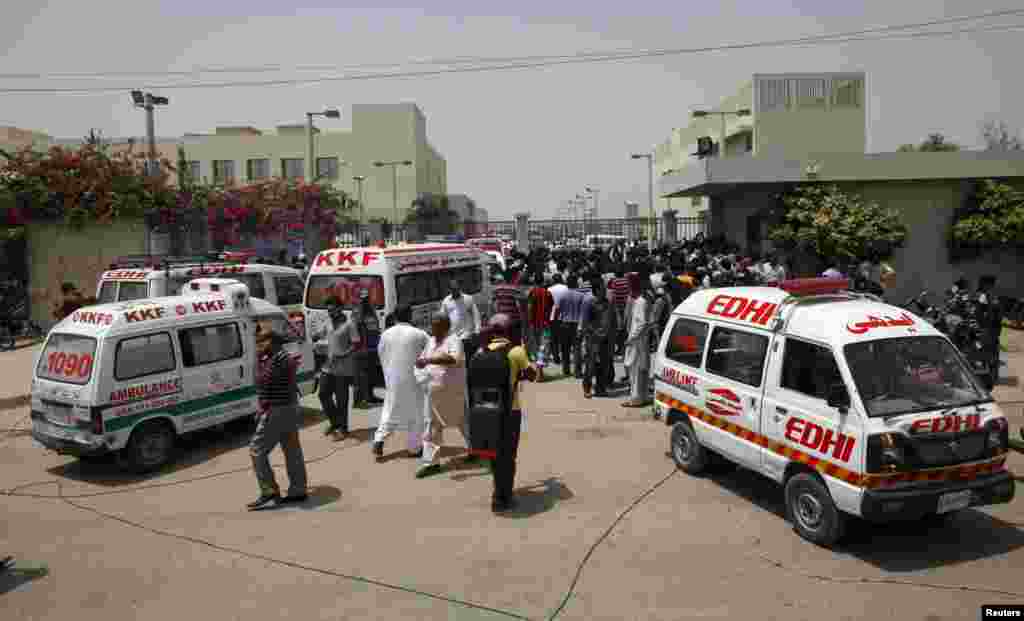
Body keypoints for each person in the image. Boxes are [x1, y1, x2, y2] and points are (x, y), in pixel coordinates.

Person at [469, 314, 536, 513]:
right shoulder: (516, 351)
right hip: (510, 411)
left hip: (485, 411)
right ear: (508, 331)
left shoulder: (480, 351)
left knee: (494, 454)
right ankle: (502, 497)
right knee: (509, 455)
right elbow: (533, 375)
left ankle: (499, 490)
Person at [248, 325, 308, 510]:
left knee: (256, 450)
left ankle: (269, 491)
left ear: (271, 342)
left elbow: (261, 381)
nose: (258, 345)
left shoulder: (277, 360)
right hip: (288, 408)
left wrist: (258, 360)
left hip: (278, 410)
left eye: (261, 342)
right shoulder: (282, 358)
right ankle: (298, 489)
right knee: (291, 450)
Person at [373, 304, 430, 462]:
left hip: (392, 378)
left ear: (395, 317)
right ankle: (414, 448)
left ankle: (379, 439)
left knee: (390, 410)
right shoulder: (419, 334)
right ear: (410, 316)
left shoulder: (385, 334)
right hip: (414, 379)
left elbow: (381, 354)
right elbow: (430, 354)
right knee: (416, 414)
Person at [414, 312, 467, 478]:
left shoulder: (454, 340)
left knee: (463, 421)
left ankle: (477, 450)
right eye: (432, 325)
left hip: (452, 391)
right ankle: (431, 463)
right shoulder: (430, 341)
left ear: (446, 326)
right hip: (433, 391)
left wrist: (429, 361)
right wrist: (421, 365)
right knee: (431, 425)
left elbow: (453, 359)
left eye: (437, 325)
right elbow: (422, 359)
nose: (433, 328)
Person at [319, 302, 358, 440]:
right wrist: (318, 342)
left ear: (340, 309)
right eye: (328, 310)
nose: (330, 313)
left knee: (342, 400)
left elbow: (356, 344)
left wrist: (343, 354)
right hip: (328, 366)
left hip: (343, 368)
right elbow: (323, 337)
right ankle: (335, 422)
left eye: (332, 310)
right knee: (323, 394)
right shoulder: (328, 322)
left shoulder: (349, 324)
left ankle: (343, 428)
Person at [582, 278, 617, 399]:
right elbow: (586, 323)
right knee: (591, 365)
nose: (604, 291)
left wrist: (613, 336)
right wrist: (595, 333)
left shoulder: (609, 303)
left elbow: (613, 321)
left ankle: (600, 388)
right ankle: (587, 387)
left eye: (604, 289)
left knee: (604, 364)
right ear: (596, 291)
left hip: (606, 339)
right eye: (602, 289)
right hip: (593, 339)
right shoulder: (590, 304)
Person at [622, 275, 653, 408]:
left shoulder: (640, 302)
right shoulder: (641, 300)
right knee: (641, 370)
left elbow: (641, 324)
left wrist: (631, 338)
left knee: (635, 370)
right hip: (640, 340)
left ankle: (635, 398)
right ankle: (643, 396)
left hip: (637, 342)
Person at [352, 290, 384, 408]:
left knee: (371, 373)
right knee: (360, 375)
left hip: (372, 347)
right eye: (362, 299)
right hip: (362, 349)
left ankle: (370, 396)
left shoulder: (371, 311)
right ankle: (358, 401)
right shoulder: (357, 312)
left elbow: (376, 327)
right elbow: (357, 329)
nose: (364, 301)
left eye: (366, 299)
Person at [440, 278, 482, 358]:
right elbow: (442, 318)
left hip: (467, 335)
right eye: (453, 289)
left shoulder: (468, 298)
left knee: (467, 356)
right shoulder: (446, 301)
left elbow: (476, 315)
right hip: (453, 336)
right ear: (450, 289)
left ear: (459, 288)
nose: (455, 290)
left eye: (456, 288)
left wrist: (477, 331)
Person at [525, 273, 553, 360]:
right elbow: (551, 307)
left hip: (534, 321)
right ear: (543, 281)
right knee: (544, 340)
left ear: (534, 281)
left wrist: (529, 320)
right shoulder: (547, 293)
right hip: (546, 322)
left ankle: (538, 358)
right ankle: (542, 357)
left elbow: (529, 307)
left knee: (535, 340)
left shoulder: (532, 292)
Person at [608, 268, 630, 357]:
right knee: (625, 329)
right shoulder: (627, 281)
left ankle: (620, 348)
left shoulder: (614, 282)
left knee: (618, 329)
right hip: (626, 307)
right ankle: (624, 348)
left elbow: (612, 296)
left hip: (617, 308)